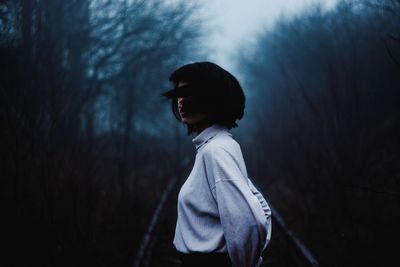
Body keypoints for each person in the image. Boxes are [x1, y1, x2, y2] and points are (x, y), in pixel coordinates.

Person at [160, 61, 272, 267]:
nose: (181, 101)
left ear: (213, 98)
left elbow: (248, 221)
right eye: (179, 94)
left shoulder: (216, 150)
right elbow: (260, 208)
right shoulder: (218, 145)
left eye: (189, 93)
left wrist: (246, 264)